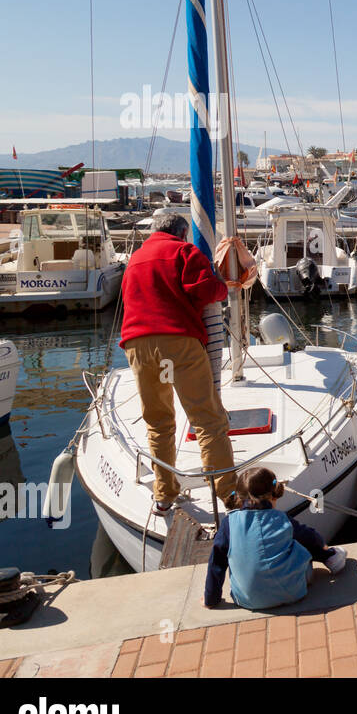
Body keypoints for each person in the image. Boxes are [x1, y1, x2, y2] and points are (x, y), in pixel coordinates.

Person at [121, 212, 239, 514]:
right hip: (177, 343)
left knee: (159, 422)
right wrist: (224, 286)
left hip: (139, 346)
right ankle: (227, 492)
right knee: (207, 419)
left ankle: (164, 493)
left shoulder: (135, 258)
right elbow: (203, 291)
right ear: (183, 232)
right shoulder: (184, 252)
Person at [203, 467, 346, 610]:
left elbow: (216, 562)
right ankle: (332, 559)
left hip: (246, 600)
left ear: (239, 498)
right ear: (273, 495)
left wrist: (210, 599)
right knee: (300, 543)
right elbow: (311, 538)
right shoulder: (281, 519)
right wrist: (327, 553)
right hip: (292, 593)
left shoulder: (228, 523)